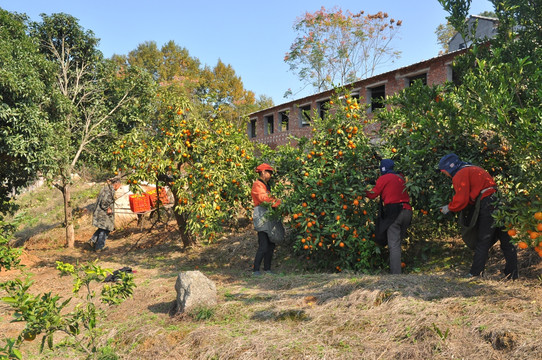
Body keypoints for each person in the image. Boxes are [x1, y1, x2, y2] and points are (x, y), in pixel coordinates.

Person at [438, 153, 518, 279]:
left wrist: (449, 207)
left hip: (487, 203)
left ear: (448, 169)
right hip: (498, 201)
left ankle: (475, 273)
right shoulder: (472, 168)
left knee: (483, 239)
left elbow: (462, 199)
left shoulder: (460, 174)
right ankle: (512, 274)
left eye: (444, 172)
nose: (446, 175)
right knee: (506, 240)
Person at [365, 159, 412, 274]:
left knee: (394, 245)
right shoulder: (401, 177)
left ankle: (396, 275)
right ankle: (396, 267)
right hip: (407, 211)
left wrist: (362, 190)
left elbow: (372, 195)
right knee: (397, 243)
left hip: (394, 212)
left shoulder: (384, 178)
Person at [251, 163, 281, 276]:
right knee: (263, 244)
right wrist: (277, 202)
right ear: (263, 172)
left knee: (271, 244)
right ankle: (256, 270)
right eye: (269, 172)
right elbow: (263, 198)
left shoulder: (266, 185)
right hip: (262, 215)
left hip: (268, 214)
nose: (270, 175)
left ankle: (267, 269)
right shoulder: (257, 185)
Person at [89, 177, 121, 252]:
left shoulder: (106, 188)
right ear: (116, 184)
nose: (119, 188)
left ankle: (93, 240)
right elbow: (104, 202)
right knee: (106, 228)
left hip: (100, 212)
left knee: (102, 228)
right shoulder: (110, 190)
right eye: (119, 186)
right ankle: (99, 247)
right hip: (104, 213)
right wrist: (108, 208)